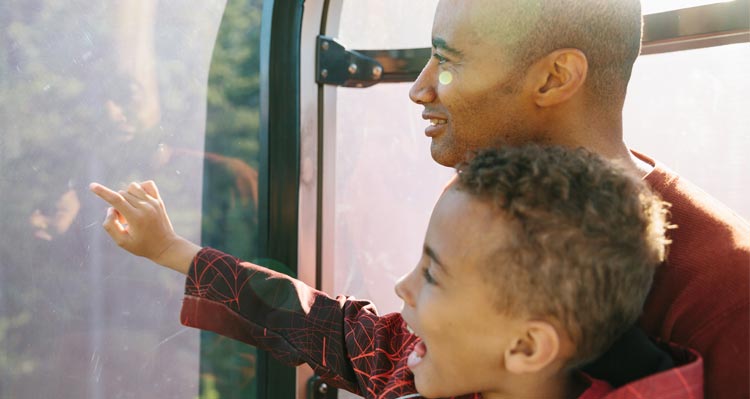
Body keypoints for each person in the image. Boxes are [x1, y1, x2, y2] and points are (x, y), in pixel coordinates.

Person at [90, 144, 703, 399]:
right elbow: (324, 324)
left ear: (524, 345)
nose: (403, 288)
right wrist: (173, 251)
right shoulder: (417, 360)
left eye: (432, 276)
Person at [407, 1, 749, 397]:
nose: (419, 89)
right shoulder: (490, 205)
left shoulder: (727, 291)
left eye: (447, 60)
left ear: (555, 77)